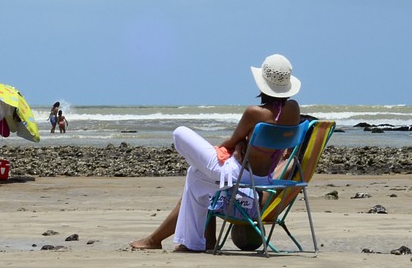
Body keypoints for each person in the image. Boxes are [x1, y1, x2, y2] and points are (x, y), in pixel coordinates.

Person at [129, 54, 302, 253]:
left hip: (235, 174)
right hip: (263, 177)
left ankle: (180, 241)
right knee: (195, 175)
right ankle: (192, 243)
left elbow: (230, 142)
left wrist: (238, 146)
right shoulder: (293, 109)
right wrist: (241, 145)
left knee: (179, 133)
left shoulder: (255, 112)